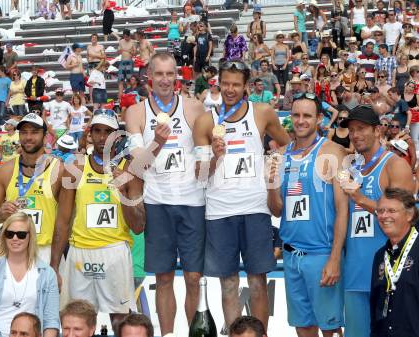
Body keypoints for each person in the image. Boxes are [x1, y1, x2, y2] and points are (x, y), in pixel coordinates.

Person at [193, 60, 290, 330]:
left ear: (246, 86)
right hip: (220, 212)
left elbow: (287, 146)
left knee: (257, 281)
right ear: (218, 83)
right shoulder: (205, 121)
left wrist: (273, 162)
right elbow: (200, 175)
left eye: (236, 84)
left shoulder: (262, 113)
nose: (230, 89)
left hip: (256, 208)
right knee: (229, 284)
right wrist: (214, 155)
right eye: (225, 83)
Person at [125, 52, 205, 335]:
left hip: (193, 202)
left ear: (177, 76)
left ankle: (195, 331)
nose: (165, 80)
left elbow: (205, 158)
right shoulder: (135, 112)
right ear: (149, 77)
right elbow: (137, 165)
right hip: (157, 202)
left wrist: (205, 178)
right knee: (164, 277)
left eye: (170, 74)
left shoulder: (195, 108)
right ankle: (168, 334)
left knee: (195, 277)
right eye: (159, 74)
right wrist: (157, 142)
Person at [51, 109, 144, 330]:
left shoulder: (129, 169)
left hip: (114, 251)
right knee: (77, 321)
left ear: (118, 136)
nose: (103, 138)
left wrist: (121, 192)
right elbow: (63, 220)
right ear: (90, 134)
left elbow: (139, 226)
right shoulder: (75, 167)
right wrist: (54, 265)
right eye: (98, 131)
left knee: (120, 320)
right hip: (79, 251)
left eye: (108, 132)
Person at [268, 93, 347, 337]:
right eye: (296, 115)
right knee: (303, 326)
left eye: (307, 116)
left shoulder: (334, 152)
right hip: (292, 256)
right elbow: (277, 210)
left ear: (320, 119)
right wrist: (271, 185)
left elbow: (343, 209)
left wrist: (334, 258)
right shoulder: (279, 156)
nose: (301, 121)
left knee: (331, 328)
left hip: (321, 254)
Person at [339, 105, 415, 337]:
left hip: (390, 273)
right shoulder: (351, 168)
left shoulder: (395, 165)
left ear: (377, 130)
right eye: (351, 130)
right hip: (354, 271)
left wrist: (360, 198)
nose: (355, 135)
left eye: (361, 128)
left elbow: (403, 215)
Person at [0, 113, 63, 263]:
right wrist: (1, 214)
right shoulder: (5, 171)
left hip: (45, 250)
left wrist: (55, 262)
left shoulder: (59, 170)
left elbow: (66, 220)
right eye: (24, 132)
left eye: (34, 132)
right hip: (13, 249)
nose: (28, 137)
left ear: (45, 136)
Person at [0, 212, 60, 337]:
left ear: (30, 237)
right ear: (4, 236)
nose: (15, 238)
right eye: (10, 234)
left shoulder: (47, 274)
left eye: (21, 235)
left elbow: (51, 321)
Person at [370, 188, 419, 337]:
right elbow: (375, 308)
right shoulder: (380, 255)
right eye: (381, 211)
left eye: (391, 210)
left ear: (409, 214)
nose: (384, 216)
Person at [118, 29, 136, 100]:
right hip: (122, 61)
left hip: (129, 61)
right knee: (120, 80)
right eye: (124, 36)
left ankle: (129, 96)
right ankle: (120, 97)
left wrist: (129, 51)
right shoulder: (121, 41)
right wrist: (120, 50)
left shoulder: (133, 42)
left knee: (129, 80)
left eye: (127, 36)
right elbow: (118, 51)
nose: (126, 38)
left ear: (129, 36)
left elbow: (135, 53)